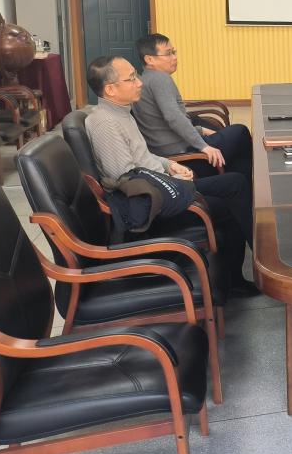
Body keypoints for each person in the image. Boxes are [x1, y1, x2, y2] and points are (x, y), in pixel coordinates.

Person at [84, 55, 259, 298]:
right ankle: (259, 263)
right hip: (154, 204)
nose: (139, 83)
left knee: (236, 183)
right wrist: (172, 179)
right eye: (131, 79)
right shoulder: (105, 123)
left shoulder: (122, 112)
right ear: (110, 89)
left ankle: (238, 275)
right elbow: (125, 177)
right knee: (235, 190)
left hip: (162, 185)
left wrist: (170, 164)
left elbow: (142, 157)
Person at [133, 33, 252, 182]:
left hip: (171, 150)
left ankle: (237, 181)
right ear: (149, 59)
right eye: (168, 53)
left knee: (226, 135)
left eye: (174, 52)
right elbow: (173, 117)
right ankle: (246, 184)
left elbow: (161, 123)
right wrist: (203, 146)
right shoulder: (159, 78)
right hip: (185, 155)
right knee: (240, 132)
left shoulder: (145, 80)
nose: (174, 57)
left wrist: (200, 131)